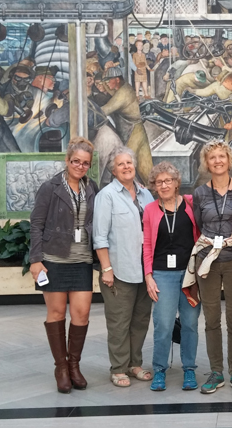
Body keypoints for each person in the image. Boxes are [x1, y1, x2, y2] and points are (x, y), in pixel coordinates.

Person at [29, 136, 99, 394]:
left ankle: (74, 365)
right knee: (57, 314)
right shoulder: (51, 187)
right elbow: (36, 224)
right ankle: (60, 367)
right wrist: (36, 260)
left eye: (85, 163)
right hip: (54, 259)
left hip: (82, 261)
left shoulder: (92, 188)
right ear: (67, 161)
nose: (80, 167)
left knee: (81, 315)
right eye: (76, 161)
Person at [193, 139, 232, 395]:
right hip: (207, 261)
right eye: (212, 157)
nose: (217, 161)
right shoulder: (199, 193)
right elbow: (198, 223)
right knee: (211, 320)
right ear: (207, 163)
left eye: (222, 156)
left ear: (230, 160)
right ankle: (216, 372)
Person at [93, 146, 154, 388]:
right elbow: (99, 237)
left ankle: (134, 363)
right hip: (118, 271)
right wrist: (106, 269)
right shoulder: (106, 196)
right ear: (113, 170)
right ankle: (118, 368)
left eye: (129, 162)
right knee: (119, 322)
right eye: (121, 164)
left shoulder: (146, 195)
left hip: (145, 271)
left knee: (140, 320)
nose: (127, 167)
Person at [143, 162, 201, 391]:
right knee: (164, 325)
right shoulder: (150, 210)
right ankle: (159, 369)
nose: (164, 185)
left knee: (190, 324)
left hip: (190, 275)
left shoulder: (190, 205)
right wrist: (148, 275)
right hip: (162, 275)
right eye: (159, 182)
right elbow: (147, 244)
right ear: (154, 186)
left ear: (177, 183)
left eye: (168, 180)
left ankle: (189, 369)